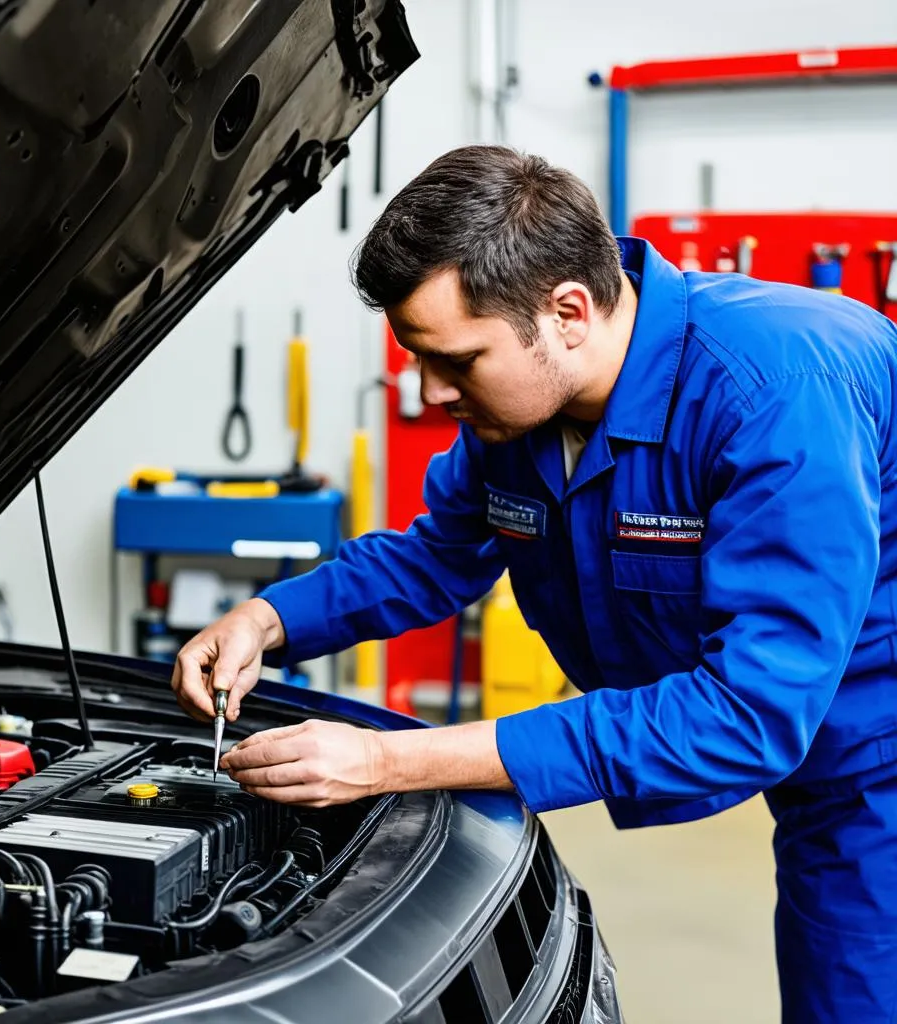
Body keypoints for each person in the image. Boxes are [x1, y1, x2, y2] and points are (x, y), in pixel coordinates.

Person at [172, 145, 897, 1022]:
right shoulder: (518, 414)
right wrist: (266, 618)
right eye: (417, 358)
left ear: (567, 312)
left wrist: (390, 760)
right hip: (811, 728)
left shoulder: (777, 393)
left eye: (459, 361)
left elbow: (743, 715)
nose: (432, 391)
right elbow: (438, 553)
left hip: (874, 754)